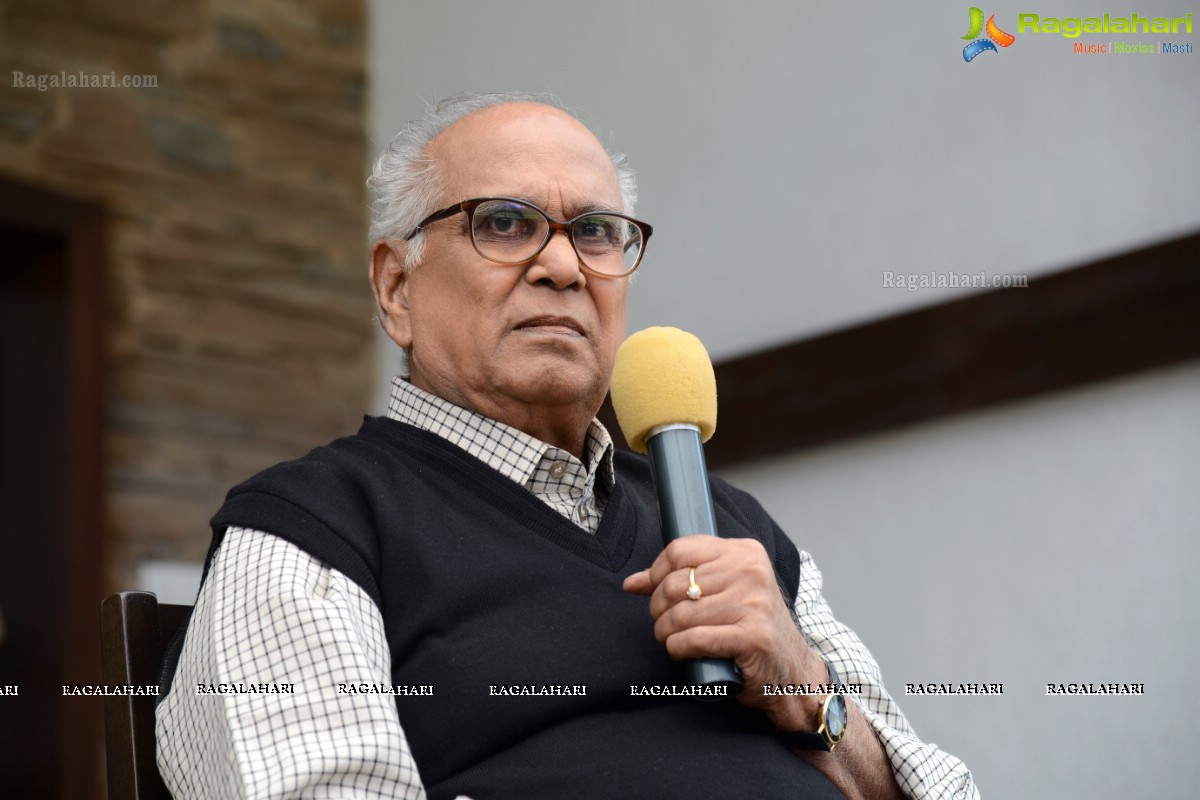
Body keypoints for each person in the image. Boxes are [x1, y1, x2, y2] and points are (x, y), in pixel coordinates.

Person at [156, 92, 980, 800]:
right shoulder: (317, 528)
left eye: (595, 232)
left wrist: (804, 688)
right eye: (505, 223)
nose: (563, 266)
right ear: (395, 286)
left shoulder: (732, 526)